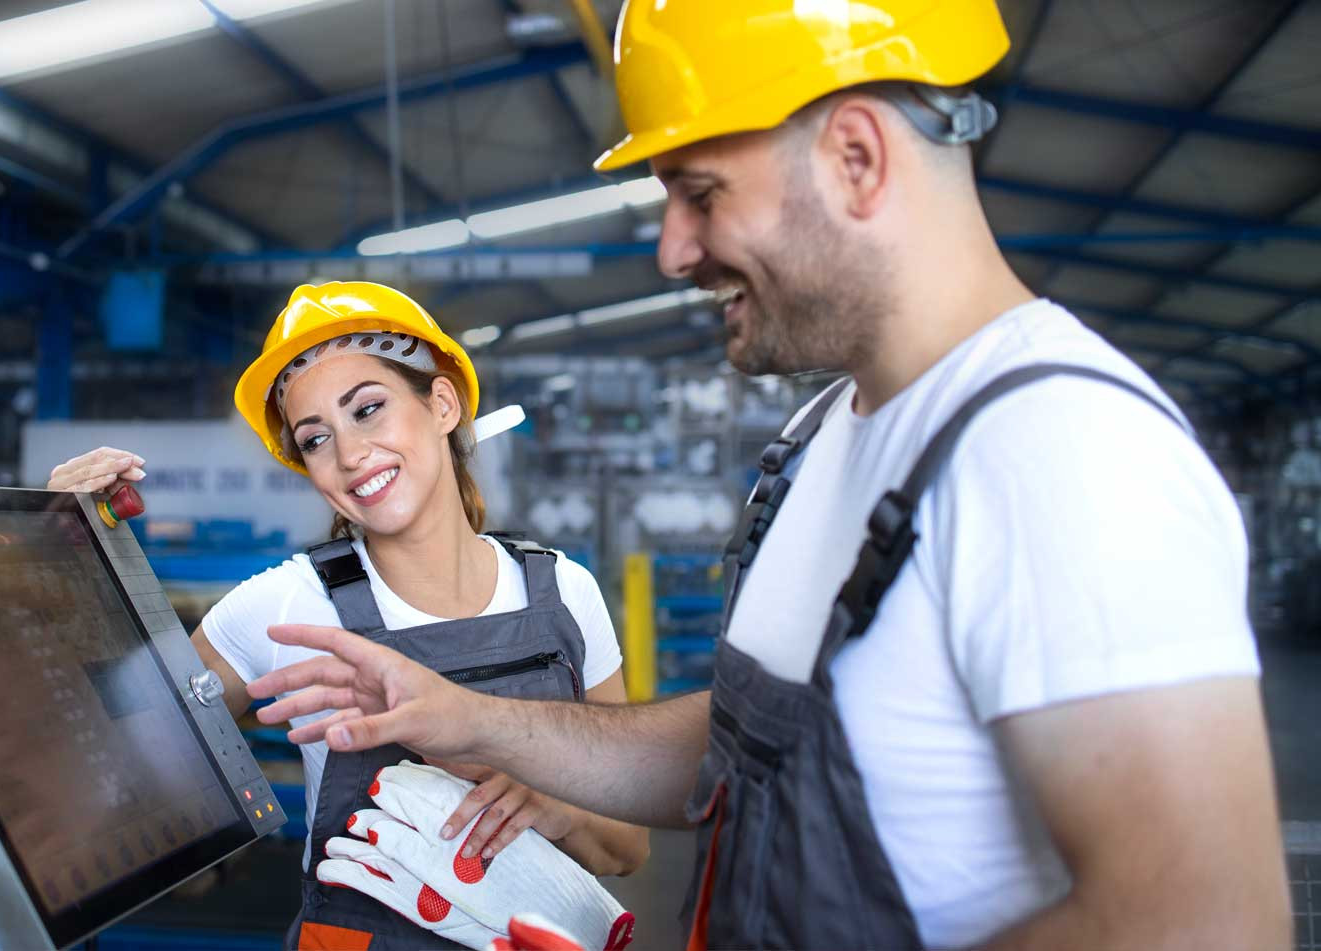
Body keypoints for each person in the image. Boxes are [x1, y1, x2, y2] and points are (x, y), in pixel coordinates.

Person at [244, 2, 1292, 948]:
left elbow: (1198, 923)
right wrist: (464, 716)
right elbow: (742, 745)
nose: (670, 248)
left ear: (855, 156)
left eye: (699, 193)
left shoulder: (1062, 454)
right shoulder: (827, 430)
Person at [48, 282, 648, 950]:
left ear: (441, 403)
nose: (350, 453)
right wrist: (66, 555)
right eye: (315, 438)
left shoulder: (566, 592)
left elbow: (626, 845)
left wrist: (556, 803)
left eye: (368, 409)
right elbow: (118, 753)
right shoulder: (286, 606)